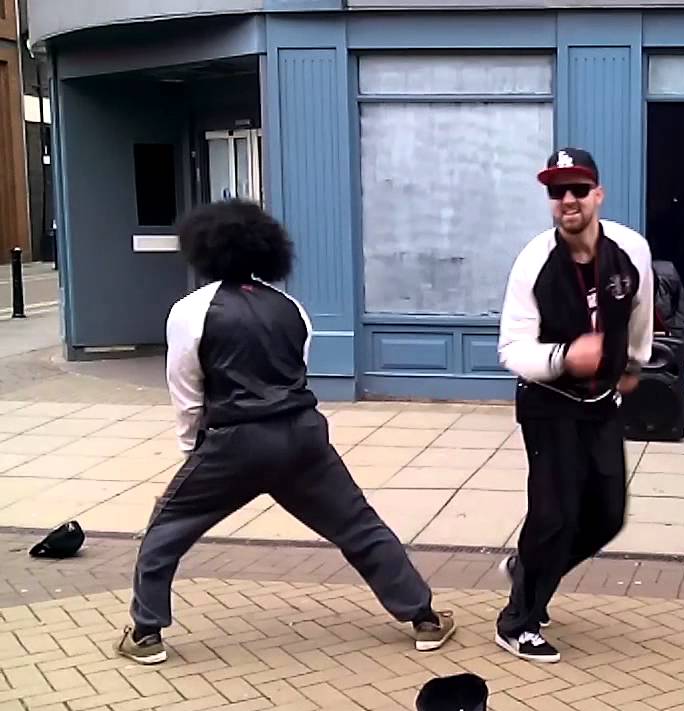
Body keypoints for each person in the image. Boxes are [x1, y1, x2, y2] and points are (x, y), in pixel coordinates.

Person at [116, 199, 455, 665]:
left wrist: (190, 445)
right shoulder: (292, 307)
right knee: (358, 526)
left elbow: (185, 386)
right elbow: (297, 372)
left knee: (166, 528)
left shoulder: (191, 310)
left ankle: (146, 633)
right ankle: (424, 618)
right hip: (301, 437)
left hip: (234, 441)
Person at [494, 147, 654, 663]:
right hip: (548, 404)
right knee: (554, 515)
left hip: (602, 403)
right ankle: (518, 621)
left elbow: (639, 315)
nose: (568, 200)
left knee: (607, 515)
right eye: (557, 191)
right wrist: (565, 357)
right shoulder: (534, 261)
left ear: (598, 195)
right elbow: (512, 349)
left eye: (578, 190)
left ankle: (529, 570)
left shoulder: (630, 250)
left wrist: (632, 366)